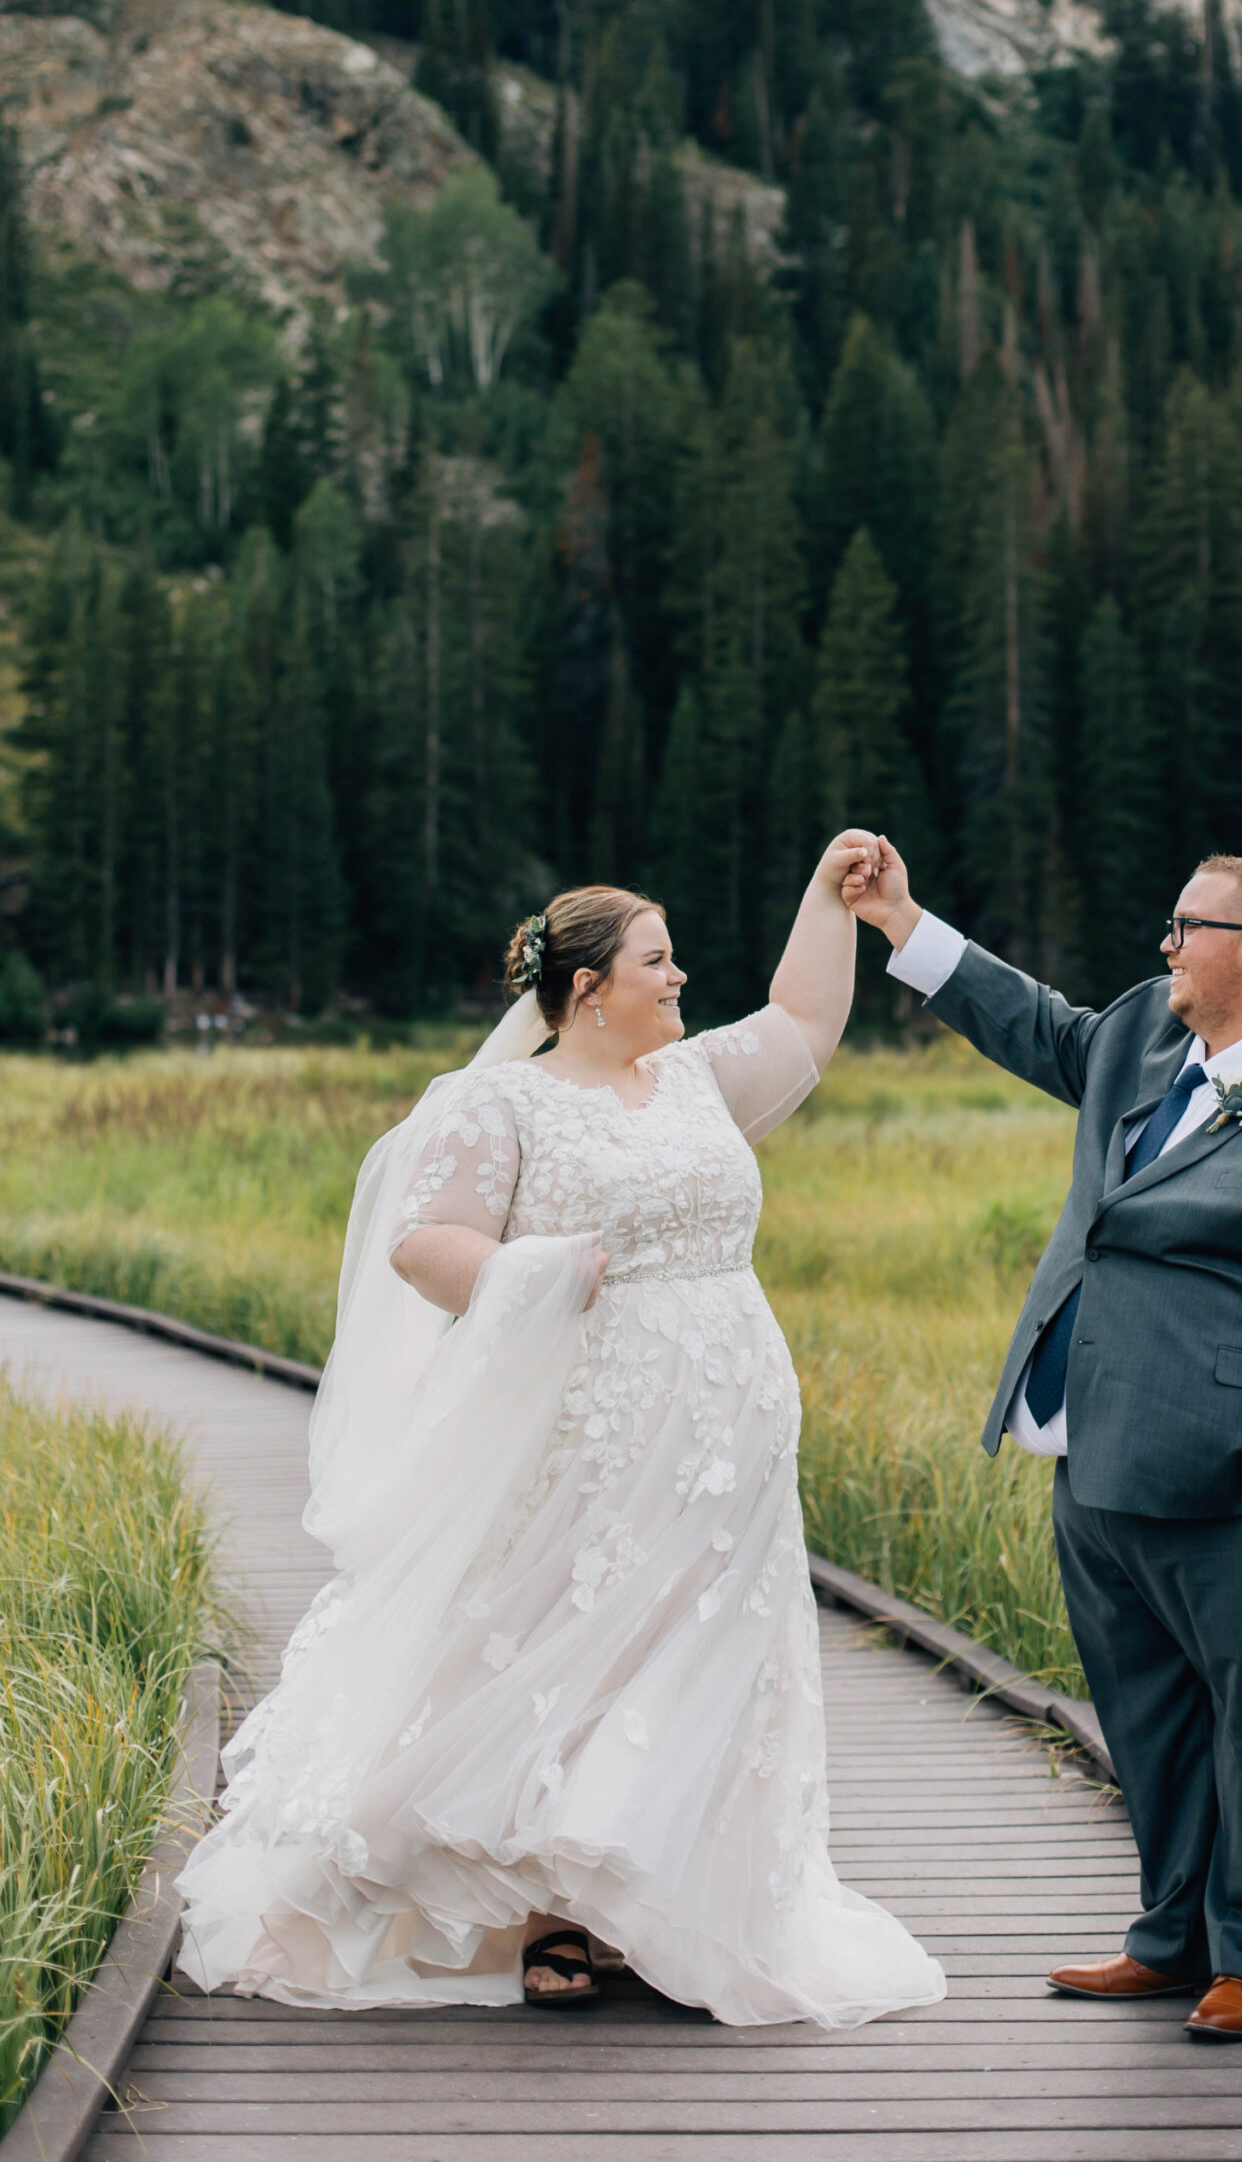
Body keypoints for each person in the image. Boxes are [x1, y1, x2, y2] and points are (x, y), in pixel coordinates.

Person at [176, 836, 946, 2028]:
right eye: (658, 959)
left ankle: (667, 1897)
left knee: (710, 1653)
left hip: (732, 1435)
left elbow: (802, 1016)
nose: (680, 977)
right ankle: (553, 1912)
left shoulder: (695, 1080)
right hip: (586, 1428)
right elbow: (424, 1242)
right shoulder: (499, 1103)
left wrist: (827, 895)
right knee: (576, 1650)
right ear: (587, 987)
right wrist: (531, 1267)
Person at [847, 841, 1242, 2043]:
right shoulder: (1143, 1036)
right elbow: (1038, 1026)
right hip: (1094, 1456)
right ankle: (1169, 1937)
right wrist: (903, 923)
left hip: (1239, 1478)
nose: (1165, 946)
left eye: (1186, 926)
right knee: (1150, 1720)